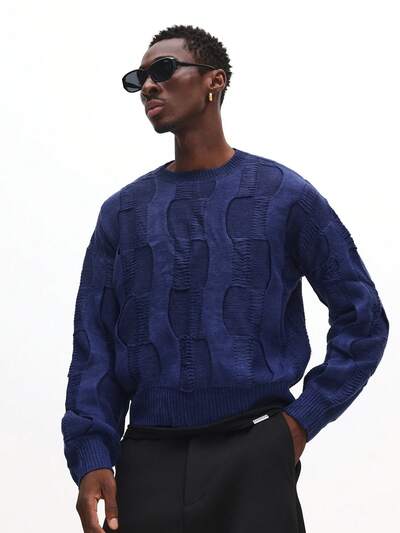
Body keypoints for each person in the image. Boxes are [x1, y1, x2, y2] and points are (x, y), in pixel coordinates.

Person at [61, 24, 390, 533]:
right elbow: (94, 346)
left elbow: (363, 319)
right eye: (138, 79)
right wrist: (91, 456)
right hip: (145, 462)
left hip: (255, 453)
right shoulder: (122, 213)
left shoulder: (285, 195)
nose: (148, 86)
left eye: (164, 70)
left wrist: (298, 425)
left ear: (214, 80)